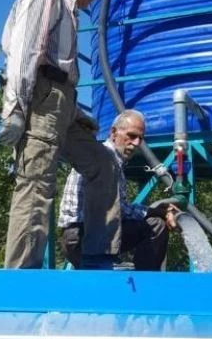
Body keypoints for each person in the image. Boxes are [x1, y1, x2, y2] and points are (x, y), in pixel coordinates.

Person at [0, 0, 122, 269]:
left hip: (62, 103)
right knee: (37, 182)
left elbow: (63, 69)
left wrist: (75, 112)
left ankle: (98, 257)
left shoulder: (70, 11)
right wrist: (15, 110)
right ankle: (21, 277)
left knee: (104, 164)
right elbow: (25, 54)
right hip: (42, 98)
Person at [59, 110, 181, 271]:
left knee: (154, 222)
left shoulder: (113, 161)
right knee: (155, 225)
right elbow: (119, 210)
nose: (136, 143)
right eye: (131, 135)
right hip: (80, 236)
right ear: (113, 132)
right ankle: (145, 280)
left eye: (140, 138)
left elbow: (118, 210)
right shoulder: (104, 158)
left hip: (90, 234)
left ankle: (142, 277)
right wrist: (157, 211)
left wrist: (157, 211)